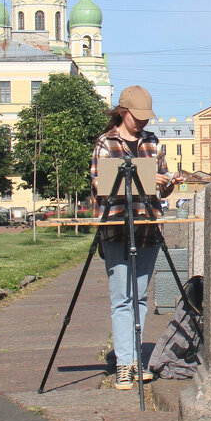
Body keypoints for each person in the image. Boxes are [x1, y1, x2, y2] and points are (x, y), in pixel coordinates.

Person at [90, 85, 180, 390]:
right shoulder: (106, 142)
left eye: (145, 118)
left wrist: (167, 183)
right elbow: (100, 185)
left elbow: (161, 190)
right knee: (122, 298)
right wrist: (143, 176)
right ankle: (124, 365)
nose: (142, 123)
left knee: (140, 296)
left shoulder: (152, 143)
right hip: (115, 227)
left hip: (148, 227)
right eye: (136, 117)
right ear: (122, 111)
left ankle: (137, 361)